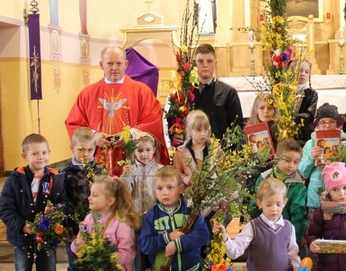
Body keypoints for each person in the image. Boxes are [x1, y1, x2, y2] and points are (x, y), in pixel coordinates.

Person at [0, 133, 68, 271]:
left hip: (47, 239)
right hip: (23, 239)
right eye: (35, 153)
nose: (41, 157)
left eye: (44, 152)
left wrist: (55, 213)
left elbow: (63, 203)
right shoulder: (14, 181)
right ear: (24, 156)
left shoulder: (55, 178)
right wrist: (24, 226)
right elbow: (6, 210)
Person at [65, 45, 169, 176]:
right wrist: (94, 136)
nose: (114, 68)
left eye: (119, 63)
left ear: (126, 64)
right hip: (97, 160)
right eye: (109, 63)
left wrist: (128, 135)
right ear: (102, 65)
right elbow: (73, 124)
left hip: (131, 162)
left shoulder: (142, 91)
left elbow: (153, 122)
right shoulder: (87, 93)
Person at [254, 139, 307, 271]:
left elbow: (298, 213)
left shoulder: (298, 184)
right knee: (268, 269)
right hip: (265, 234)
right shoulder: (264, 178)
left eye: (296, 162)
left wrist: (296, 238)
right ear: (277, 157)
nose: (291, 165)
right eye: (287, 160)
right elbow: (257, 203)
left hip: (287, 236)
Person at [60, 127, 106, 271]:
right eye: (81, 150)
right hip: (74, 227)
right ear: (72, 148)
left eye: (89, 150)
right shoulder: (65, 173)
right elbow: (62, 199)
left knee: (98, 262)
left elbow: (106, 195)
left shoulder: (100, 170)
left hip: (97, 225)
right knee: (75, 264)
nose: (85, 154)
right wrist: (67, 223)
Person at [170, 44, 243, 145]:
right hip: (189, 153)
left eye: (209, 61)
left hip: (219, 153)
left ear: (216, 63)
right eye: (200, 61)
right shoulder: (183, 93)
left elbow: (237, 128)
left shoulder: (229, 93)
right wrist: (174, 136)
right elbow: (173, 122)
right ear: (194, 65)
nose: (205, 65)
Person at [122, 132, 164, 271]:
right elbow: (125, 192)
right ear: (134, 153)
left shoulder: (161, 169)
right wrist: (125, 176)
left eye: (147, 150)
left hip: (156, 217)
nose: (144, 154)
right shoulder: (130, 170)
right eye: (140, 151)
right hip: (137, 218)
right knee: (138, 251)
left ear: (154, 150)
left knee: (156, 249)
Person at [299, 104, 346, 214]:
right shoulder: (310, 144)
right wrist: (311, 157)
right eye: (323, 122)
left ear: (337, 124)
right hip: (316, 199)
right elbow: (302, 173)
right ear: (317, 124)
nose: (327, 125)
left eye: (331, 122)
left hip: (339, 199)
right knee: (315, 229)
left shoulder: (345, 145)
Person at [172, 110, 212, 186]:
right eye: (198, 130)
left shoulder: (215, 149)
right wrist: (185, 179)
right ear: (189, 131)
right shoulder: (181, 152)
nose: (203, 134)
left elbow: (224, 170)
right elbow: (176, 173)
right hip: (190, 194)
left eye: (205, 129)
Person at [293, 60, 318, 144]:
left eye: (307, 72)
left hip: (304, 131)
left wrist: (293, 119)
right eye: (300, 70)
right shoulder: (285, 91)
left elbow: (309, 115)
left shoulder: (312, 93)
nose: (303, 74)